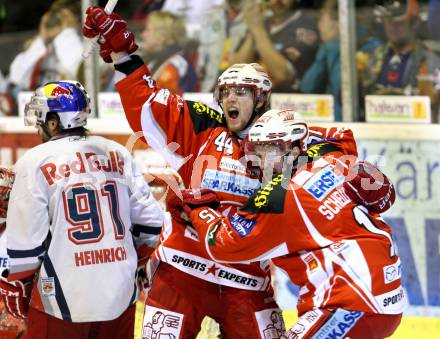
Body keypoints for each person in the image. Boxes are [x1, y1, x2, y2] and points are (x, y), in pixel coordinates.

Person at [82, 8, 396, 338]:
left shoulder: (288, 140)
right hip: (182, 271)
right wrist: (121, 51)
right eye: (225, 92)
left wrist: (308, 164)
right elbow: (146, 101)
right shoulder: (202, 128)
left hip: (245, 281)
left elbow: (340, 147)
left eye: (241, 91)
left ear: (261, 98)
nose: (230, 98)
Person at [179, 109, 404, 339]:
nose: (264, 161)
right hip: (386, 299)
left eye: (273, 150)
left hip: (349, 304)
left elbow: (223, 244)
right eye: (258, 151)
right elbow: (341, 133)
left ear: (296, 149)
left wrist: (201, 209)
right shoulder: (331, 153)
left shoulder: (279, 196)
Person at [0, 81, 164, 339]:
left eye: (42, 119)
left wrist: (13, 286)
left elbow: (26, 253)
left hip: (63, 302)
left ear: (53, 122)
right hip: (121, 298)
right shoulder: (118, 153)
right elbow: (152, 225)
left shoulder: (34, 161)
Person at [357, 0, 440, 121]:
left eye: (399, 21)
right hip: (373, 131)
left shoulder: (432, 62)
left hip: (414, 133)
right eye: (388, 19)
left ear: (415, 22)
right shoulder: (370, 58)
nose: (392, 25)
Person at [231, 0, 319, 92]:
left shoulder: (307, 24)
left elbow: (282, 75)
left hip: (288, 101)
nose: (277, 1)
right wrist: (253, 31)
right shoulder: (261, 23)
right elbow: (235, 73)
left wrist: (257, 30)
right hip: (253, 100)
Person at [300, 0, 342, 120]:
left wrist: (331, 45)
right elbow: (307, 86)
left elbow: (340, 91)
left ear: (338, 23)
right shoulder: (327, 47)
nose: (318, 26)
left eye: (322, 21)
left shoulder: (358, 47)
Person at [140, 11, 198, 95]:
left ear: (162, 35)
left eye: (147, 29)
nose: (143, 35)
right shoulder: (154, 61)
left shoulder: (176, 64)